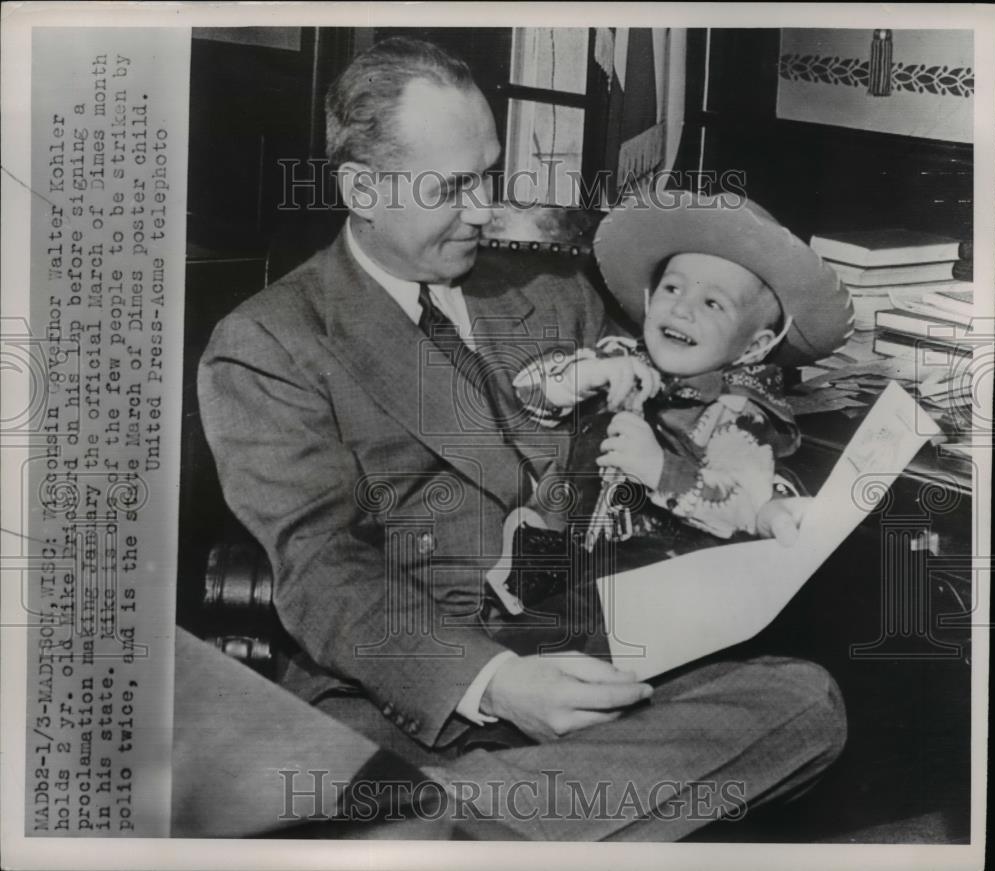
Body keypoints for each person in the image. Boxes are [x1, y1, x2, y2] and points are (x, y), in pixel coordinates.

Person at [198, 36, 847, 839]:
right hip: (415, 687)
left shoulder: (547, 286)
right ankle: (479, 818)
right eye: (454, 186)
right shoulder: (269, 342)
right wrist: (496, 682)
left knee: (807, 702)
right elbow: (322, 571)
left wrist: (750, 487)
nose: (485, 207)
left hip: (592, 642)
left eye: (489, 174)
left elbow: (662, 425)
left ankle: (444, 819)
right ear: (362, 187)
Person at [512, 191, 853, 542]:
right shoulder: (620, 359)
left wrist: (659, 468)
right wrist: (583, 377)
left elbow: (744, 505)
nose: (682, 309)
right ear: (649, 297)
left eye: (712, 303)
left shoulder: (736, 413)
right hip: (565, 552)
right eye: (673, 288)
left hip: (663, 571)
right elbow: (526, 393)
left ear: (755, 346)